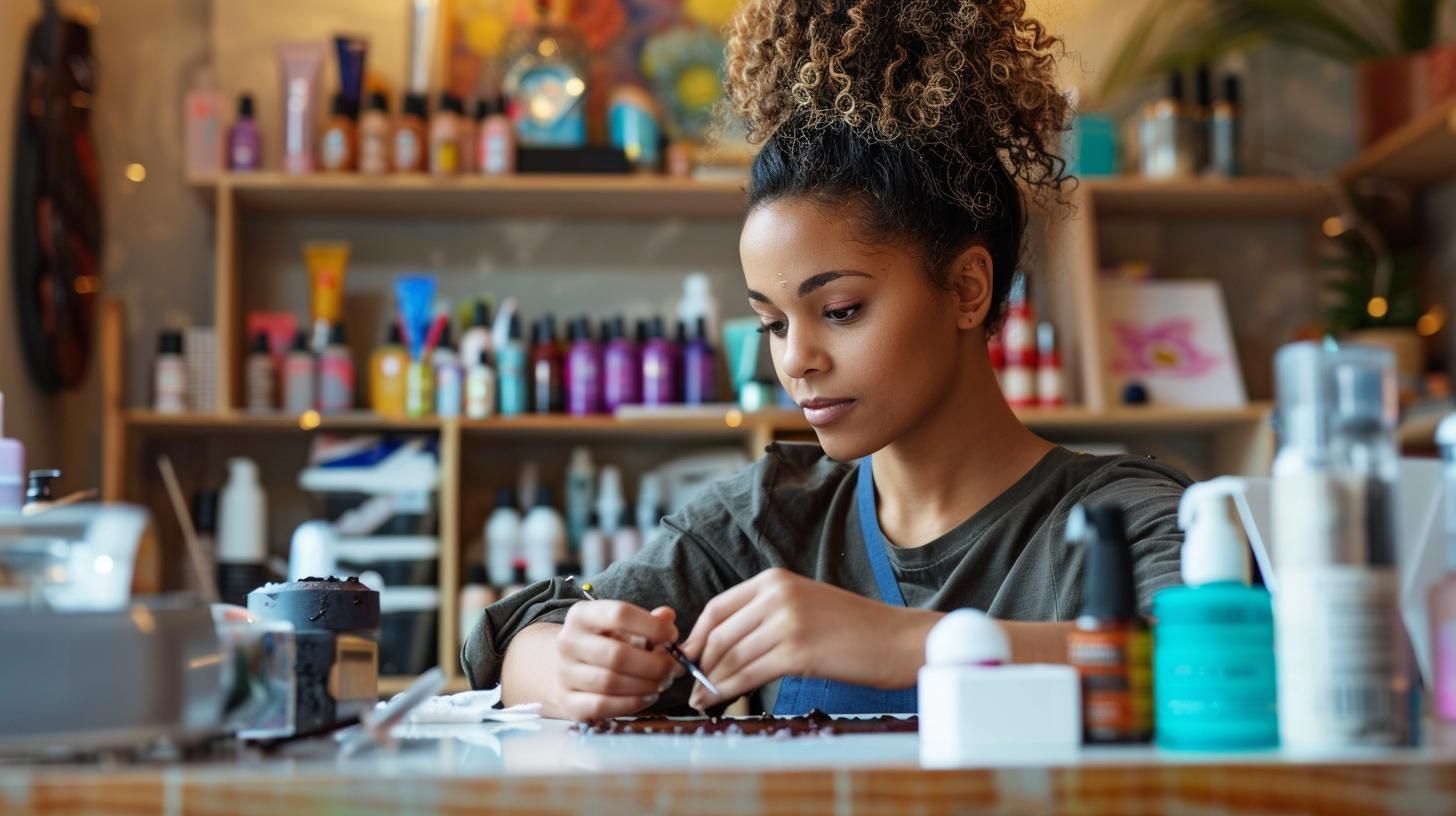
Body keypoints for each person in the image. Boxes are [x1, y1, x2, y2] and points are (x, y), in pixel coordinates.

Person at [463, 0, 1189, 721]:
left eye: (839, 311)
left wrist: (900, 642)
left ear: (967, 289)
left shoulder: (1117, 517)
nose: (797, 360)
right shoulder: (769, 516)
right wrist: (577, 666)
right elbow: (525, 637)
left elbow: (1202, 660)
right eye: (772, 324)